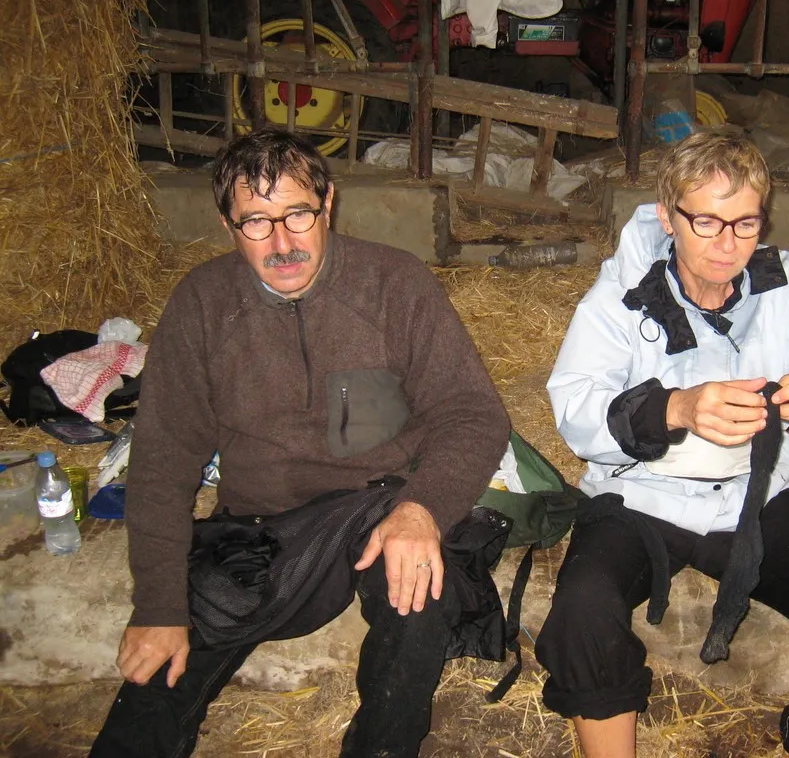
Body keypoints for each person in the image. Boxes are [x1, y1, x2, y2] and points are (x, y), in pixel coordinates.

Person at [90, 128, 510, 757]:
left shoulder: (394, 283)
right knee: (159, 673)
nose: (283, 242)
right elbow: (161, 463)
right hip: (261, 524)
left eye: (297, 215)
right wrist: (157, 604)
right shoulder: (202, 305)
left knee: (420, 595)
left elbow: (473, 413)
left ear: (328, 203)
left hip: (376, 507)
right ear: (228, 225)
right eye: (257, 222)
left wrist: (422, 508)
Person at [537, 133, 789, 758]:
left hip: (750, 498)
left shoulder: (784, 283)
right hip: (640, 496)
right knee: (583, 603)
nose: (727, 243)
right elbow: (574, 408)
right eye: (705, 221)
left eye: (745, 223)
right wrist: (675, 408)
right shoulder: (623, 292)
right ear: (667, 217)